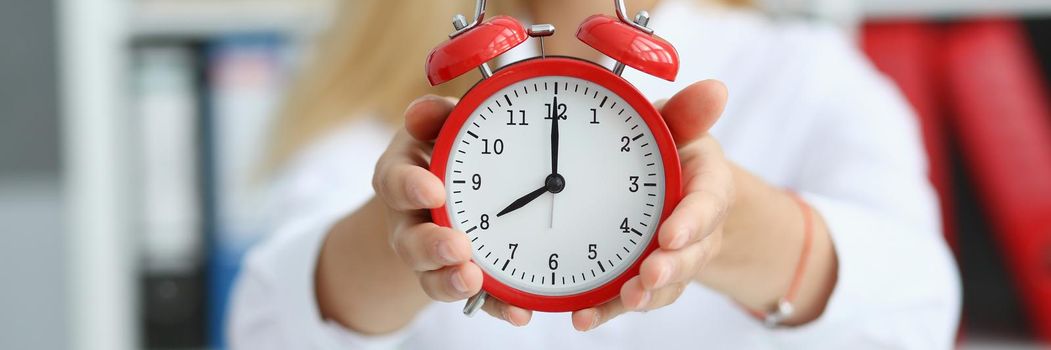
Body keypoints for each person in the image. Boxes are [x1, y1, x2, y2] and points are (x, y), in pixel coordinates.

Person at [228, 0, 961, 348]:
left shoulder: (803, 72)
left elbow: (920, 310)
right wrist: (398, 240)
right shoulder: (382, 92)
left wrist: (726, 224)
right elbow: (262, 324)